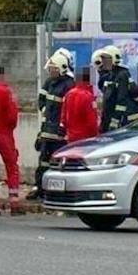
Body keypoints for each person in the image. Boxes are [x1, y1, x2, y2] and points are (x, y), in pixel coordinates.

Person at [33, 49, 75, 194]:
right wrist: (41, 133)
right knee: (44, 160)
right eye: (50, 69)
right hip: (47, 131)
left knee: (58, 162)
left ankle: (57, 191)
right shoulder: (50, 82)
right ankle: (40, 188)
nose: (51, 72)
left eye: (54, 69)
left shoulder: (69, 84)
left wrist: (62, 128)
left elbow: (67, 111)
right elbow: (42, 104)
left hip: (59, 133)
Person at [0, 66, 22, 213]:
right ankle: (14, 202)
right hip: (5, 134)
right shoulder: (7, 92)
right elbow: (12, 117)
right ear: (1, 76)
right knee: (11, 166)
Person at [94, 45, 138, 132]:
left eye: (106, 59)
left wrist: (114, 122)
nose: (103, 62)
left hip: (126, 120)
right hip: (118, 119)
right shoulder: (112, 74)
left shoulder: (122, 75)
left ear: (113, 60)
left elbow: (121, 101)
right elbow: (109, 101)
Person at [61, 67, 100, 144]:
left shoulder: (68, 94)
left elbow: (63, 118)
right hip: (86, 139)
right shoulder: (88, 96)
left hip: (71, 138)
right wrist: (95, 136)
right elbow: (92, 122)